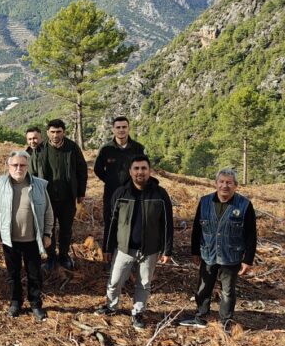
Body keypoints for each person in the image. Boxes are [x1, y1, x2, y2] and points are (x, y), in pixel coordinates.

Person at [99, 155, 174, 330]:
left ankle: (138, 312)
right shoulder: (121, 192)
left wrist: (167, 250)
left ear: (149, 171)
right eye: (136, 169)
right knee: (115, 281)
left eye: (143, 168)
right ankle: (111, 306)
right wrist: (107, 247)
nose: (140, 172)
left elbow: (167, 224)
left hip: (150, 249)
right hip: (124, 248)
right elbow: (111, 222)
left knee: (144, 283)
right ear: (130, 172)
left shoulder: (160, 194)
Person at [180, 168, 257, 329]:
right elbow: (197, 229)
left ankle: (225, 322)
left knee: (227, 291)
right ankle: (200, 317)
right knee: (203, 287)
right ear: (216, 184)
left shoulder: (244, 205)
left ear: (236, 185)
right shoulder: (205, 202)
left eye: (229, 182)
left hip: (231, 256)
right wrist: (195, 251)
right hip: (208, 253)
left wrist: (248, 259)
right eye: (221, 182)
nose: (225, 186)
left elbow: (251, 235)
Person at [0, 150, 54, 320]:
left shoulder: (39, 185)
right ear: (9, 166)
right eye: (15, 165)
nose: (18, 168)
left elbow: (48, 212)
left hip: (32, 239)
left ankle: (35, 304)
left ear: (28, 166)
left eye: (22, 165)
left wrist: (47, 233)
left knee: (34, 274)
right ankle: (15, 302)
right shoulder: (0, 184)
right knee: (12, 274)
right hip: (10, 240)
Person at [38, 119, 88, 272]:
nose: (55, 135)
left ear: (63, 132)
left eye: (58, 132)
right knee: (49, 229)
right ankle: (51, 256)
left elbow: (82, 171)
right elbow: (33, 172)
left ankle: (64, 256)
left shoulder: (72, 148)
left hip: (68, 198)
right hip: (47, 199)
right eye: (52, 132)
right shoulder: (41, 149)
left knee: (66, 229)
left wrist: (80, 193)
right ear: (47, 133)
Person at [93, 116, 146, 248]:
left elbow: (144, 169)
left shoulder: (138, 148)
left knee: (133, 223)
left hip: (134, 193)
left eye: (124, 127)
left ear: (129, 128)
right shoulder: (106, 149)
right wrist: (110, 180)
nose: (121, 130)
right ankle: (109, 254)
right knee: (110, 223)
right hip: (112, 193)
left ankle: (131, 254)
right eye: (118, 127)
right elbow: (98, 169)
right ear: (113, 130)